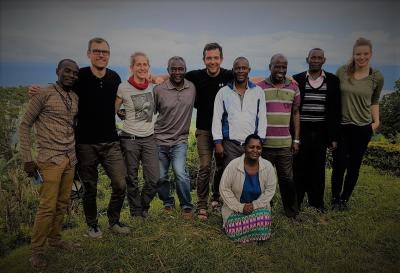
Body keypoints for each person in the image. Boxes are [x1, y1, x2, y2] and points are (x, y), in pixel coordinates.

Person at [29, 37, 129, 238]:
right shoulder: (80, 76)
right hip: (84, 144)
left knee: (120, 183)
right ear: (89, 54)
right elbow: (60, 90)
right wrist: (37, 90)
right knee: (90, 188)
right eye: (97, 51)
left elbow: (116, 102)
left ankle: (114, 221)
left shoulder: (115, 77)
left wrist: (120, 112)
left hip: (110, 141)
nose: (101, 55)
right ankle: (92, 225)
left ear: (109, 55)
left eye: (105, 52)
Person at [20, 59, 80, 269]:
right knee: (47, 207)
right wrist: (27, 158)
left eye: (74, 73)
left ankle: (55, 239)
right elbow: (25, 125)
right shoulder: (43, 94)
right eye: (67, 71)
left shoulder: (74, 97)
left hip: (70, 158)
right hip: (49, 160)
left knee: (63, 203)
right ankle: (36, 252)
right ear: (58, 71)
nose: (71, 75)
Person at [331, 37, 384, 210]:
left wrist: (376, 122)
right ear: (353, 55)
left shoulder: (376, 77)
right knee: (339, 164)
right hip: (343, 127)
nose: (361, 57)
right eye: (358, 54)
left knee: (354, 166)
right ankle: (334, 198)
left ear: (371, 54)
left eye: (365, 54)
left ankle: (344, 200)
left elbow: (375, 100)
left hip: (363, 128)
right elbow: (330, 90)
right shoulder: (342, 72)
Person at [185, 43, 234, 217]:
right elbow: (175, 76)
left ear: (221, 58)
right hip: (204, 130)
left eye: (215, 58)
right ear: (204, 59)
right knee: (205, 166)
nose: (212, 61)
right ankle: (201, 205)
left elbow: (248, 77)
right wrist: (153, 78)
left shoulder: (229, 75)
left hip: (224, 131)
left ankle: (217, 199)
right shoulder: (196, 76)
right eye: (209, 58)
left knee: (222, 166)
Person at [292, 48, 341, 212]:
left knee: (318, 169)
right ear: (307, 59)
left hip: (321, 131)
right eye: (313, 57)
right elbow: (293, 109)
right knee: (299, 167)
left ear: (324, 60)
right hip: (302, 129)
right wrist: (294, 137)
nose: (316, 60)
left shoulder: (333, 80)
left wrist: (333, 137)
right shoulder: (297, 79)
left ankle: (316, 203)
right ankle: (296, 202)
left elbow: (335, 110)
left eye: (319, 58)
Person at [115, 52, 159, 219]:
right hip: (129, 139)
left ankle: (143, 206)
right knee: (131, 179)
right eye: (138, 64)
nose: (141, 67)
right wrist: (119, 113)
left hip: (149, 138)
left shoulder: (151, 85)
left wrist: (154, 77)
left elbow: (170, 76)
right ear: (132, 67)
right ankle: (136, 213)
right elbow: (114, 108)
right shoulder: (123, 87)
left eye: (144, 64)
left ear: (148, 67)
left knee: (154, 179)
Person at [256, 54, 300, 220]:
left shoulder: (294, 87)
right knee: (263, 181)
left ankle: (292, 213)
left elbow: (296, 113)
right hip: (265, 144)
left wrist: (296, 139)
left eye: (284, 67)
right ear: (270, 67)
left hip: (284, 144)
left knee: (287, 180)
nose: (281, 70)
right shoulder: (260, 88)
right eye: (277, 66)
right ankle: (263, 211)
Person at [154, 56, 196, 219]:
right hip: (159, 140)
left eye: (181, 69)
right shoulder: (158, 90)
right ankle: (167, 203)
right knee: (160, 176)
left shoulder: (192, 88)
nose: (177, 72)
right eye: (174, 69)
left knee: (180, 172)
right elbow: (152, 111)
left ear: (185, 70)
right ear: (168, 70)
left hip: (180, 140)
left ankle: (186, 206)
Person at [219, 134, 277, 243]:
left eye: (258, 148)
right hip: (235, 209)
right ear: (244, 147)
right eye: (251, 147)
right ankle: (247, 232)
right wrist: (241, 207)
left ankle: (247, 234)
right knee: (233, 228)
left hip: (258, 209)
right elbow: (224, 189)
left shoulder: (268, 166)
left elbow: (270, 191)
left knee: (263, 218)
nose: (255, 150)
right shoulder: (233, 165)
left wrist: (254, 206)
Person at [212, 56, 267, 169]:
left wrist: (260, 141)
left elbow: (262, 118)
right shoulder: (223, 92)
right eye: (237, 68)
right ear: (233, 70)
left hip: (252, 145)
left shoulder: (258, 92)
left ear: (249, 70)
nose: (241, 71)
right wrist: (218, 143)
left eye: (244, 68)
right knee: (229, 177)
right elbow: (217, 118)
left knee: (249, 176)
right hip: (230, 145)